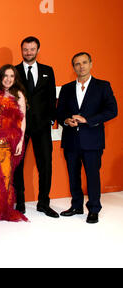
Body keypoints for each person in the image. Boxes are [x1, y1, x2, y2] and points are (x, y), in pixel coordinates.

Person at [57, 52, 118, 223]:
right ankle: (76, 206)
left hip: (92, 140)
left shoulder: (103, 86)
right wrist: (66, 120)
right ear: (73, 67)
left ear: (91, 64)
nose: (81, 66)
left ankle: (94, 209)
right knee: (73, 175)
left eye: (84, 62)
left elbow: (112, 111)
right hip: (71, 140)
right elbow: (60, 111)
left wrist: (88, 120)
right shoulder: (67, 88)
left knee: (92, 175)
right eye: (77, 64)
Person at [14, 36, 58, 217]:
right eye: (25, 49)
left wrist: (49, 120)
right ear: (21, 50)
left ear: (38, 50)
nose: (28, 52)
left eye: (32, 49)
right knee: (18, 165)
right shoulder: (14, 71)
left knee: (45, 165)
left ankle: (44, 203)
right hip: (20, 127)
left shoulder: (48, 71)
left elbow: (51, 97)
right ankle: (21, 203)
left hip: (42, 126)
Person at [0, 65, 28, 222]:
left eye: (12, 76)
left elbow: (23, 119)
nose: (8, 79)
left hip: (7, 144)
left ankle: (2, 209)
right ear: (0, 76)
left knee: (4, 177)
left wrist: (21, 140)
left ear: (15, 78)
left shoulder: (18, 95)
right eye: (5, 76)